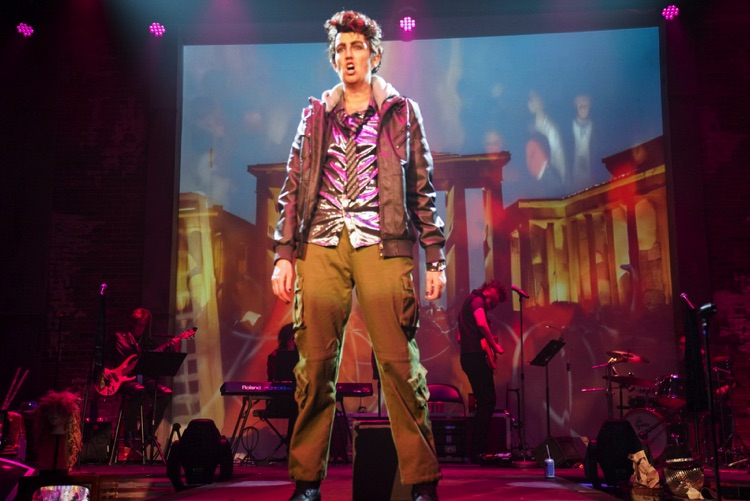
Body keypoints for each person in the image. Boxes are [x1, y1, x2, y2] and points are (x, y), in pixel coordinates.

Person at [271, 10, 446, 501]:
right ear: (334, 58)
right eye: (342, 49)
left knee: (399, 365)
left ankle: (422, 483)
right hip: (320, 244)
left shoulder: (402, 112)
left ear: (374, 54)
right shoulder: (313, 116)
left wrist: (435, 256)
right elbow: (293, 187)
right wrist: (284, 254)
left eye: (357, 47)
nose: (349, 56)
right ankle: (307, 483)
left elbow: (422, 189)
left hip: (382, 243)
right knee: (314, 368)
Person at [106, 307, 178, 450]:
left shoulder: (148, 343)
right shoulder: (118, 338)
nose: (139, 328)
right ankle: (129, 432)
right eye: (137, 324)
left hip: (142, 378)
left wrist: (173, 348)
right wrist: (106, 370)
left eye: (142, 325)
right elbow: (103, 357)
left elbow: (157, 363)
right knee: (139, 390)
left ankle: (147, 431)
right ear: (131, 323)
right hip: (121, 380)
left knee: (166, 393)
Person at [457, 280, 507, 464]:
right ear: (488, 291)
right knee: (487, 401)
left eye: (494, 304)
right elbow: (481, 324)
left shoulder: (469, 303)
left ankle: (478, 450)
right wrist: (494, 345)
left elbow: (460, 336)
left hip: (470, 357)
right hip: (475, 357)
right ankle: (478, 451)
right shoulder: (477, 300)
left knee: (484, 402)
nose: (491, 305)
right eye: (492, 300)